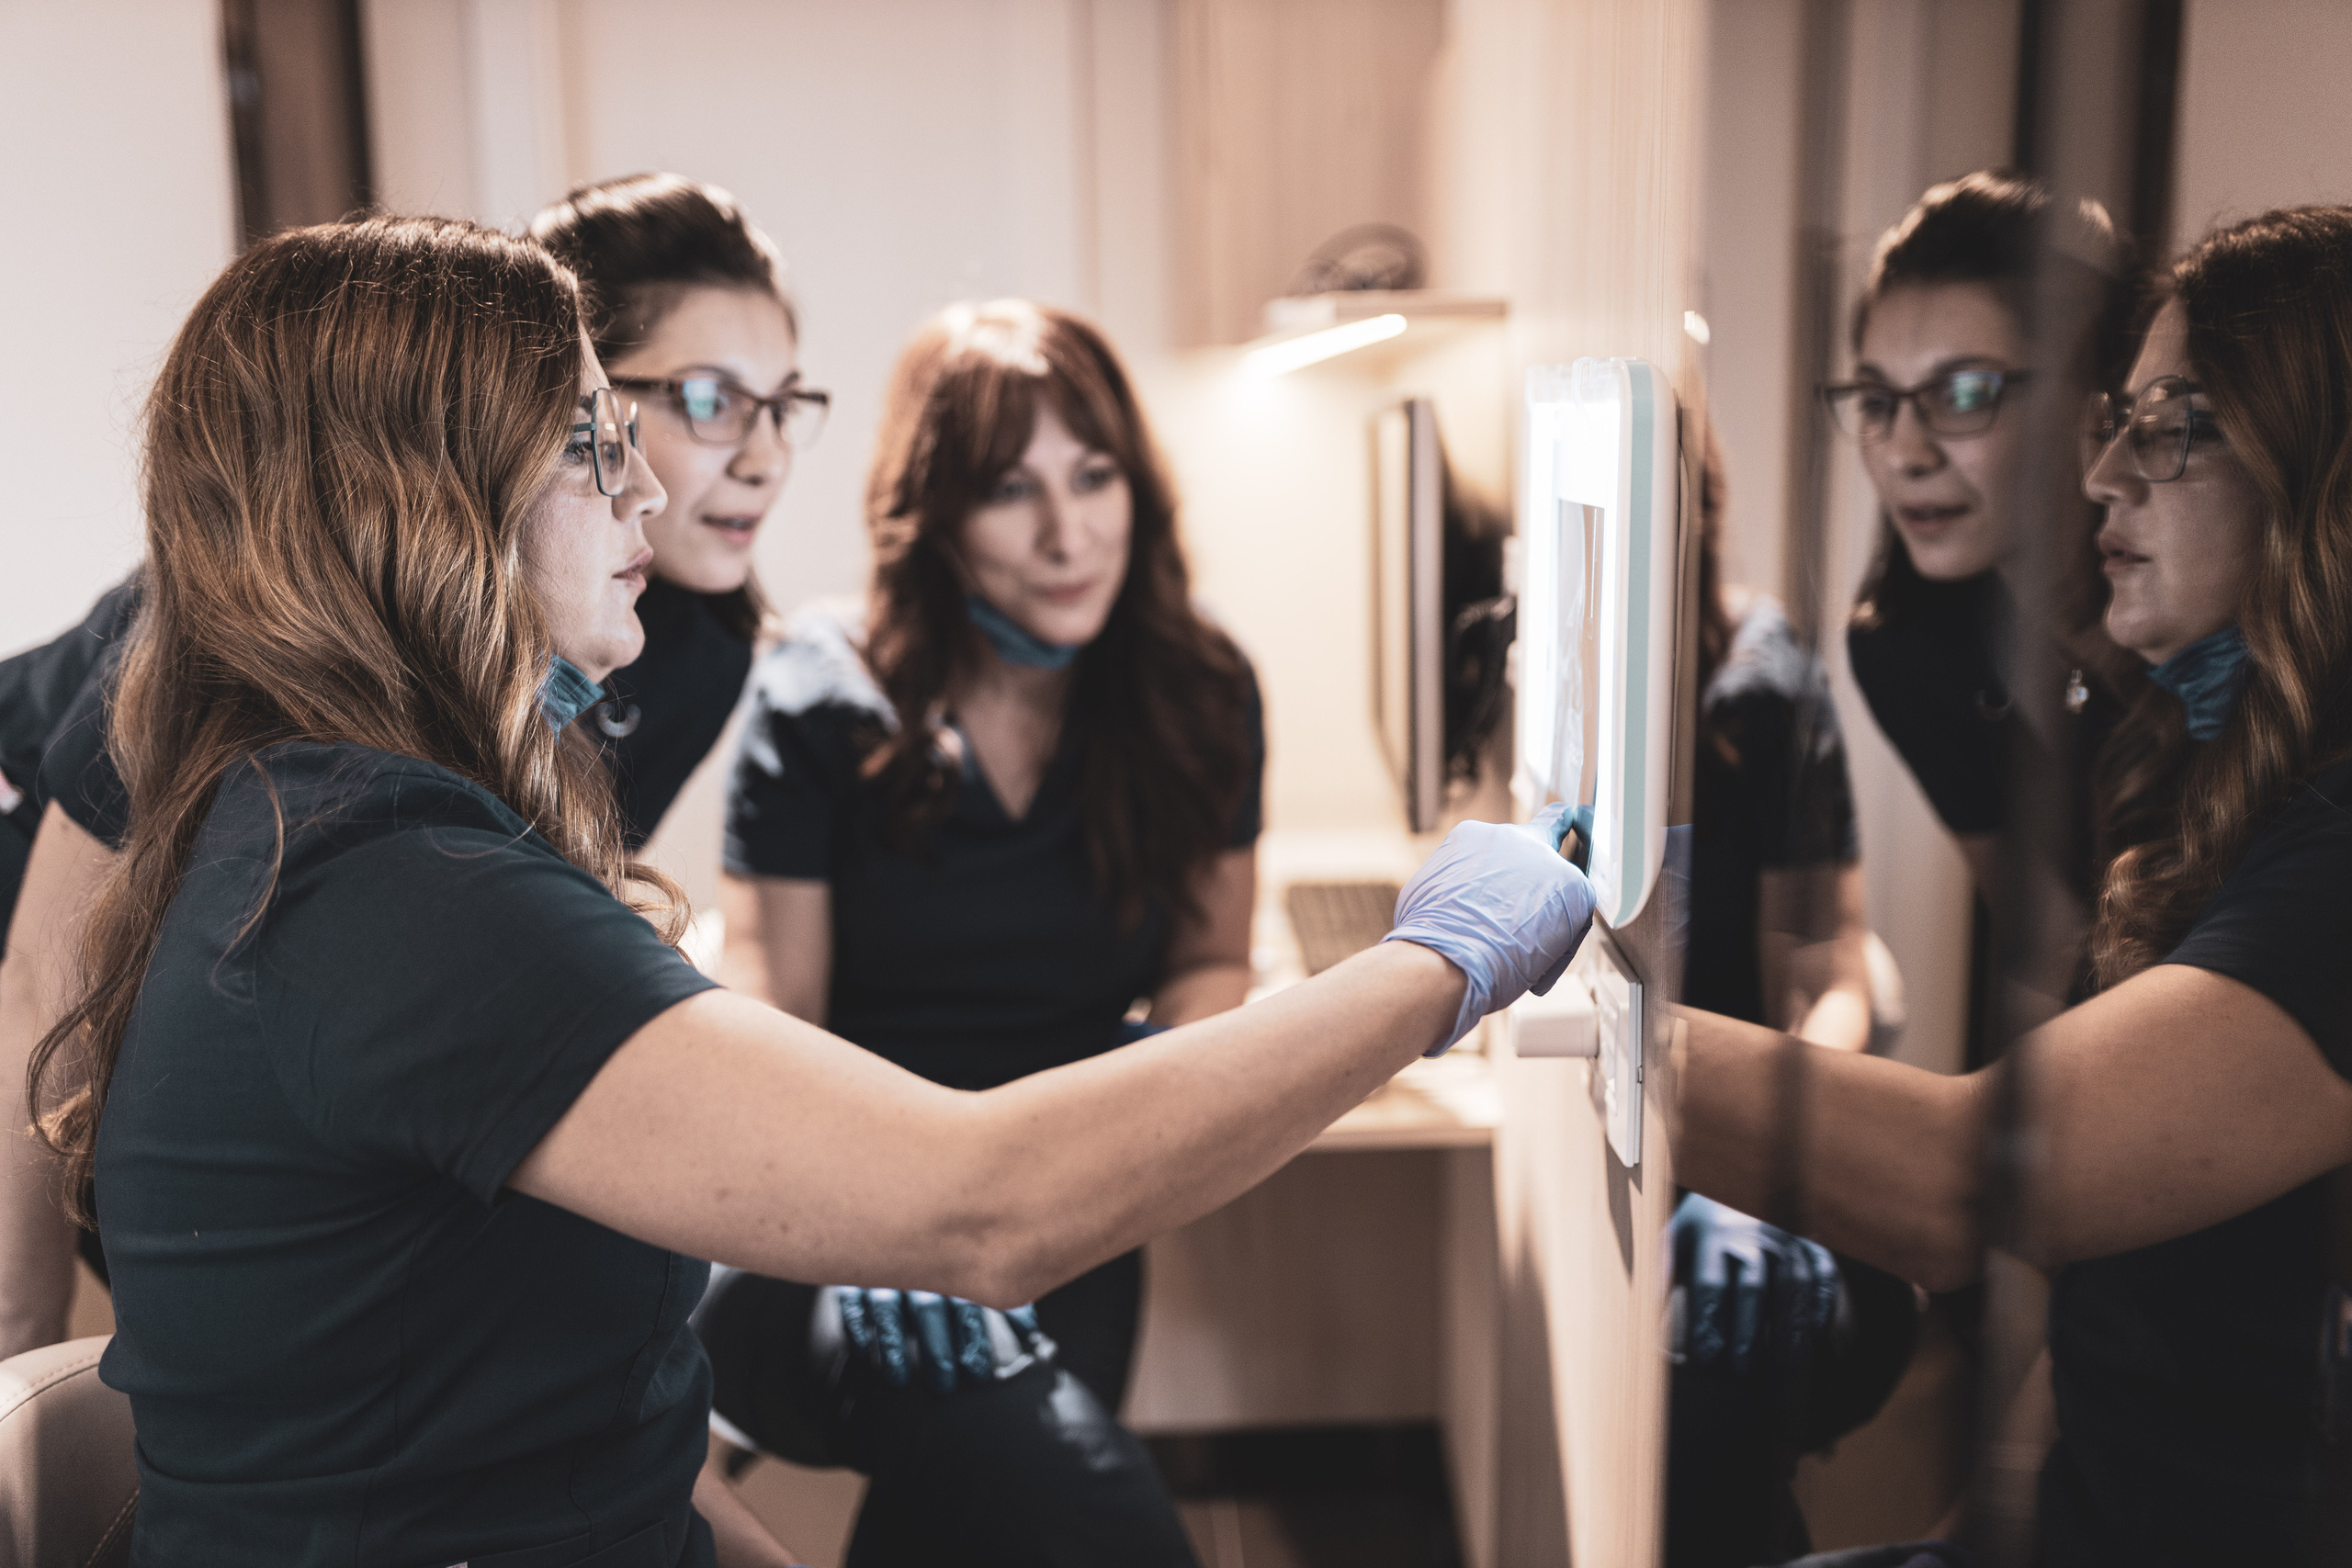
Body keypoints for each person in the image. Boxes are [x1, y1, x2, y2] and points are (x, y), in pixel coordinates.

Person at [39, 215, 1593, 1567]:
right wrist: (1437, 960)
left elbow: (601, 1434)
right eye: (594, 439)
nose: (651, 487)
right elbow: (984, 1200)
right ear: (422, 507)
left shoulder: (330, 830)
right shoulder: (395, 895)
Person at [0, 171, 815, 1359]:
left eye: (786, 404)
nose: (765, 456)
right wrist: (22, 1356)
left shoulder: (690, 642)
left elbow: (537, 902)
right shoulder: (240, 627)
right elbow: (44, 982)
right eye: (705, 401)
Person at [1675, 206, 2352, 1566]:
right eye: (1878, 398)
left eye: (2176, 423)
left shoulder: (2319, 840)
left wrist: (1530, 1007)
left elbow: (1970, 1178)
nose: (2111, 473)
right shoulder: (2165, 740)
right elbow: (2084, 1012)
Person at [699, 299, 1261, 1563]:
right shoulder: (819, 694)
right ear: (937, 514)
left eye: (1095, 474)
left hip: (1068, 1200)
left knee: (975, 1518)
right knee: (1088, 1504)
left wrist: (1141, 1123)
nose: (1071, 535)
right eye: (1013, 489)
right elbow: (768, 1026)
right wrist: (884, 1228)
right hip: (830, 1225)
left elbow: (1209, 960)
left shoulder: (1200, 687)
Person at [1664, 437, 1919, 1568]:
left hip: (1762, 1164)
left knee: (1707, 1413)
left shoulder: (1761, 692)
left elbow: (1827, 972)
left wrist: (1760, 1175)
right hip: (1654, 1145)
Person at [1832, 172, 2138, 1022]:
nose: (1904, 451)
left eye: (1964, 394)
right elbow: (2056, 954)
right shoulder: (1905, 647)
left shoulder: (2224, 618)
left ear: (2099, 398)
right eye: (1877, 401)